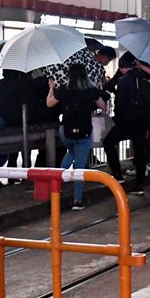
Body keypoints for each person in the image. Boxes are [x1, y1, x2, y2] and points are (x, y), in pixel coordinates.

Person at [46, 64, 108, 210]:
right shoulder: (90, 89)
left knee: (72, 152)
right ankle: (77, 200)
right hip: (84, 131)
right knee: (79, 166)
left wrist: (51, 88)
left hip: (66, 131)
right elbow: (102, 106)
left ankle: (56, 183)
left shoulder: (64, 88)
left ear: (69, 75)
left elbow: (49, 103)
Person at [103, 53, 150, 192]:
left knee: (108, 142)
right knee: (140, 151)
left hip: (127, 120)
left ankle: (117, 175)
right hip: (143, 120)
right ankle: (139, 185)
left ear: (122, 67)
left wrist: (116, 120)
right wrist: (148, 125)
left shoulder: (124, 80)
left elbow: (120, 104)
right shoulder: (145, 78)